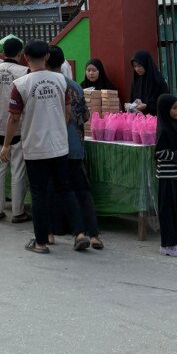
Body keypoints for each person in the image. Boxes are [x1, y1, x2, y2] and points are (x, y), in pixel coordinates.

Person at [0, 39, 89, 255]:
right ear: (47, 57)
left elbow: (13, 118)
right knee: (65, 189)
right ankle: (79, 233)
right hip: (59, 145)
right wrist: (57, 127)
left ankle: (41, 242)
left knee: (39, 194)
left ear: (26, 58)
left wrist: (6, 145)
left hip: (35, 146)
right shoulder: (60, 80)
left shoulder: (20, 84)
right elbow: (67, 110)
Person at [47, 46, 102, 249]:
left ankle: (49, 233)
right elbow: (85, 116)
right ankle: (93, 234)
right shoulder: (75, 86)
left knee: (50, 189)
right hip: (75, 145)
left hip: (52, 147)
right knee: (82, 191)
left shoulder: (46, 85)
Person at [0, 36, 30, 224]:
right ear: (21, 54)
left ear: (3, 53)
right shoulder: (25, 72)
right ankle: (18, 212)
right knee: (18, 170)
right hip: (18, 127)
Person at [155, 94, 177, 257]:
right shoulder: (163, 129)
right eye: (174, 108)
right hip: (166, 176)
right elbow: (159, 153)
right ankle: (168, 244)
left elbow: (176, 146)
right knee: (168, 210)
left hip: (176, 174)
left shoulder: (174, 125)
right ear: (165, 110)